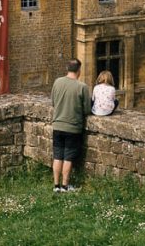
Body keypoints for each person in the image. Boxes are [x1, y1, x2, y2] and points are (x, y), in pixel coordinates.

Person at [51, 58, 91, 193]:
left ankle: (56, 186)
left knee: (57, 156)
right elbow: (87, 110)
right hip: (72, 127)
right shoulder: (82, 87)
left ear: (67, 69)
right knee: (68, 157)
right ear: (79, 70)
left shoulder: (57, 82)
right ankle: (65, 186)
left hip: (57, 125)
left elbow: (53, 102)